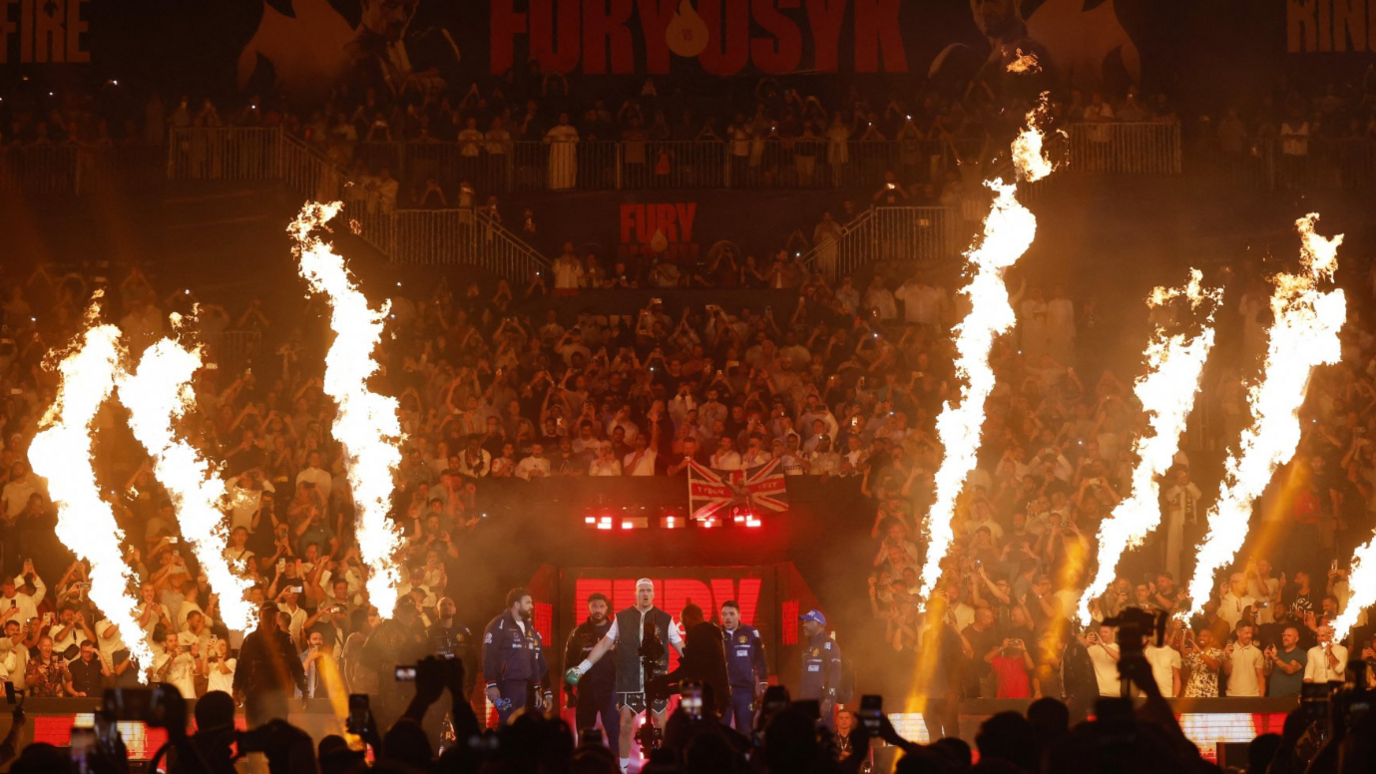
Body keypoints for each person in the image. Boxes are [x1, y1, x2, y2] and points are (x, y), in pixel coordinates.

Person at [566, 579, 684, 774]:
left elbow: (680, 646)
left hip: (656, 680)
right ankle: (622, 769)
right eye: (641, 591)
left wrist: (694, 666)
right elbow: (604, 645)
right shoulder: (622, 619)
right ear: (635, 594)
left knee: (660, 722)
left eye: (648, 590)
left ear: (653, 594)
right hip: (628, 681)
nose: (645, 594)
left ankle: (665, 766)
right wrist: (582, 667)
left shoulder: (665, 619)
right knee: (625, 726)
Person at [481, 587, 550, 724]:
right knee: (509, 723)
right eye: (528, 602)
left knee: (519, 725)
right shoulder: (498, 624)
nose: (532, 606)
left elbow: (533, 660)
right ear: (517, 604)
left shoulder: (528, 628)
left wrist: (537, 688)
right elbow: (488, 655)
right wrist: (491, 684)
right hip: (505, 685)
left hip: (523, 686)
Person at [562, 592, 619, 757]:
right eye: (594, 606)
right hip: (586, 690)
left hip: (611, 690)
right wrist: (567, 690)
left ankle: (617, 768)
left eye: (601, 606)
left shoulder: (617, 631)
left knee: (615, 734)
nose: (598, 610)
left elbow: (628, 660)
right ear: (588, 608)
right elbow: (569, 661)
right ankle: (581, 766)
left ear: (607, 607)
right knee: (583, 735)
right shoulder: (578, 632)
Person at [233, 604, 307, 728]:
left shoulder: (285, 639)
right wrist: (235, 690)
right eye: (267, 616)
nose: (270, 619)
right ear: (260, 616)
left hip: (278, 694)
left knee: (278, 735)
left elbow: (296, 666)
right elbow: (241, 666)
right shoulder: (250, 640)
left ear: (277, 617)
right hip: (255, 695)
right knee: (254, 735)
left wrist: (304, 689)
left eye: (274, 615)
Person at [656, 603, 730, 720]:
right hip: (716, 698)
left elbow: (689, 671)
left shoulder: (699, 635)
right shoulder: (712, 633)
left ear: (687, 619)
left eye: (683, 622)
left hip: (705, 699)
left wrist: (663, 682)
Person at [720, 599, 768, 733]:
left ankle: (746, 754)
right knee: (721, 731)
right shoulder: (716, 634)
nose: (727, 617)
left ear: (739, 615)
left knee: (745, 731)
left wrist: (763, 686)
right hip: (723, 692)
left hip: (745, 691)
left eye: (731, 614)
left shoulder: (752, 633)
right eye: (724, 614)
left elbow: (761, 660)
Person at [796, 609, 843, 728]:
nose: (804, 624)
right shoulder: (807, 648)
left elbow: (835, 674)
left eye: (807, 621)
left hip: (822, 703)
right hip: (807, 704)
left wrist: (828, 700)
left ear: (818, 624)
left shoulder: (830, 645)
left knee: (824, 741)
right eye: (804, 621)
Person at [1223, 623, 1265, 697]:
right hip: (1232, 694)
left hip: (1253, 695)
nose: (1250, 636)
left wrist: (1260, 698)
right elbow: (1226, 672)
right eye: (1246, 633)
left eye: (1251, 633)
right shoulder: (1228, 650)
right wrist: (1227, 656)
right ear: (1238, 633)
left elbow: (1260, 677)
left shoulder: (1257, 652)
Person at [1265, 625, 1306, 697]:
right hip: (1274, 696)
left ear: (1296, 639)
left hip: (1291, 697)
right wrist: (1267, 659)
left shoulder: (1301, 654)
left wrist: (1274, 658)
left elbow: (1290, 670)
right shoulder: (1278, 652)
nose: (1285, 638)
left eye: (1289, 636)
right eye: (1284, 635)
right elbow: (1267, 672)